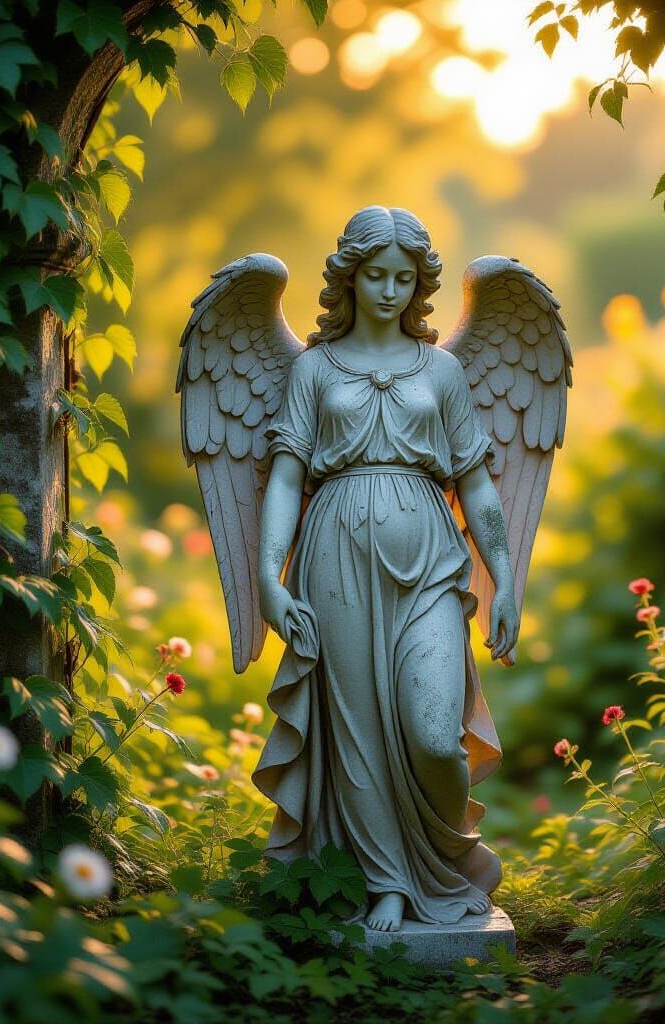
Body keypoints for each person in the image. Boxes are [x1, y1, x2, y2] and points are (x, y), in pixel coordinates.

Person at [251, 206, 520, 932]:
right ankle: (388, 882)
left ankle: (449, 861)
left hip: (430, 559)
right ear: (350, 277)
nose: (390, 290)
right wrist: (269, 578)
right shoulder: (314, 369)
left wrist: (505, 578)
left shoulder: (443, 371)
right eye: (376, 275)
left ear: (420, 284)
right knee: (359, 730)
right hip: (335, 557)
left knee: (434, 732)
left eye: (404, 278)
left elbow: (476, 483)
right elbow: (285, 478)